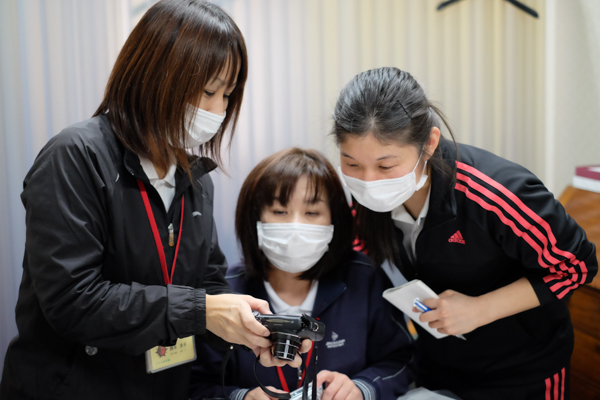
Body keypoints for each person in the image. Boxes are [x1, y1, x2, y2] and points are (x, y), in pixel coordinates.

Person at [0, 2, 305, 399]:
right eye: (208, 90)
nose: (218, 110)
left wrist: (251, 331)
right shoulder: (76, 155)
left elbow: (207, 284)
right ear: (155, 76)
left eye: (227, 95)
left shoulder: (195, 178)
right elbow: (73, 300)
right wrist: (201, 311)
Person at [331, 67, 598, 400]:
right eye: (352, 163)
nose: (369, 181)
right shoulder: (364, 203)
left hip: (522, 372)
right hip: (438, 363)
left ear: (429, 143)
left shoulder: (497, 193)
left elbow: (577, 266)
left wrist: (481, 309)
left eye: (386, 166)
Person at [189, 148, 415, 400]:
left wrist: (362, 388)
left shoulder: (364, 279)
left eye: (312, 213)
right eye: (279, 212)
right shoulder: (226, 293)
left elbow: (402, 360)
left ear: (334, 221)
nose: (296, 227)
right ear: (254, 219)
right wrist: (241, 397)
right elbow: (194, 384)